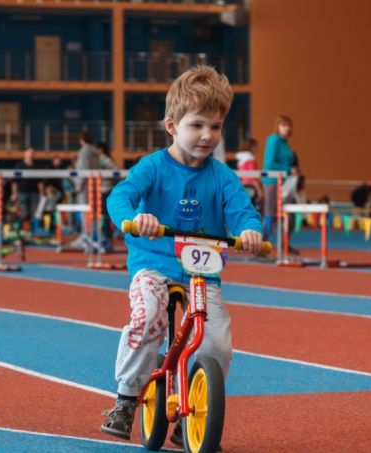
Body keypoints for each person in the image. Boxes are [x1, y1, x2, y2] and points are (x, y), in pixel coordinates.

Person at [101, 65, 262, 443]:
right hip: (154, 263)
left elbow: (243, 211)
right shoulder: (154, 167)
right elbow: (120, 197)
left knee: (217, 343)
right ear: (172, 126)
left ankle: (197, 408)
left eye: (215, 127)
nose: (207, 136)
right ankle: (126, 398)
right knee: (149, 318)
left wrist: (249, 231)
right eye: (197, 125)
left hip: (201, 272)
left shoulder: (223, 177)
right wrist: (133, 219)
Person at [262, 115, 295, 239]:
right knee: (270, 212)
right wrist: (289, 169)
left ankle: (285, 244)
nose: (287, 128)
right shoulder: (274, 140)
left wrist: (293, 169)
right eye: (283, 125)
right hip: (272, 181)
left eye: (289, 125)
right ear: (278, 127)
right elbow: (269, 164)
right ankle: (260, 244)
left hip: (285, 183)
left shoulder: (286, 143)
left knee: (289, 213)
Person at [12, 147, 43, 229]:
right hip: (22, 192)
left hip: (34, 193)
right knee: (23, 213)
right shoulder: (19, 166)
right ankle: (18, 229)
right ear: (25, 154)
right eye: (29, 152)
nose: (30, 154)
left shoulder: (36, 166)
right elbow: (15, 181)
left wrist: (41, 192)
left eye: (32, 153)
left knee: (34, 213)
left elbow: (40, 181)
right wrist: (14, 194)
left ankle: (33, 230)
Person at [98, 141, 118, 252]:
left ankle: (107, 241)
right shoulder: (100, 159)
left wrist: (107, 178)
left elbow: (116, 172)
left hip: (106, 190)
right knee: (103, 217)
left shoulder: (106, 160)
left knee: (105, 216)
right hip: (101, 190)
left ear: (100, 149)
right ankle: (105, 240)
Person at [236, 137, 263, 209]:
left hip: (242, 186)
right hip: (251, 187)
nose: (257, 149)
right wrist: (259, 190)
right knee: (251, 208)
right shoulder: (250, 159)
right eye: (256, 146)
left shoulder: (241, 159)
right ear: (251, 147)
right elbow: (252, 176)